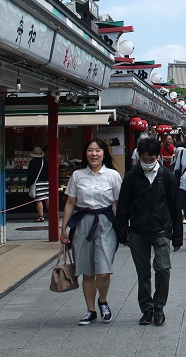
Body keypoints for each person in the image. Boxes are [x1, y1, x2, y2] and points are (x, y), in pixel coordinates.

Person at [116, 136, 183, 327]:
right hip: (137, 231)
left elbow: (174, 206)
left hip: (161, 229)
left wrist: (177, 236)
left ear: (158, 156)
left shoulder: (167, 176)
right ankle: (147, 309)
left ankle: (159, 307)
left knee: (163, 269)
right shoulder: (131, 177)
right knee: (143, 273)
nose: (147, 162)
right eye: (144, 159)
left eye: (151, 159)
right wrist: (122, 233)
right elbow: (123, 207)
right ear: (139, 156)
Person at [61, 138, 123, 326]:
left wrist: (123, 227)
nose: (94, 154)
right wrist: (63, 228)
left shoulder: (113, 175)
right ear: (85, 153)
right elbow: (71, 202)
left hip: (106, 224)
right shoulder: (77, 176)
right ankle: (90, 310)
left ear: (104, 153)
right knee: (87, 272)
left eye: (97, 150)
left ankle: (102, 300)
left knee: (104, 271)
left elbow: (119, 204)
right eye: (90, 150)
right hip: (82, 224)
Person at [26, 146, 48, 222]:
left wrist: (28, 184)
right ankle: (51, 214)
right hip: (46, 182)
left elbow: (30, 175)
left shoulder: (32, 163)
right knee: (46, 198)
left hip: (37, 183)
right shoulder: (45, 162)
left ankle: (41, 216)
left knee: (38, 200)